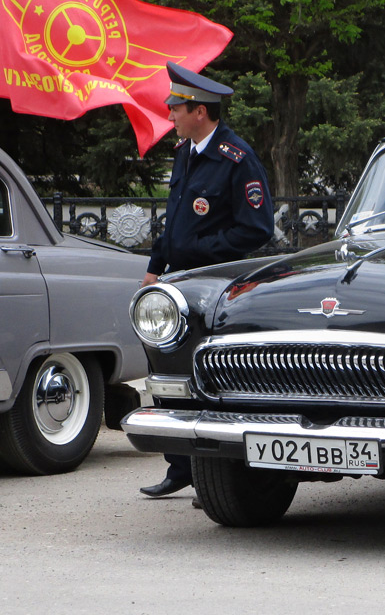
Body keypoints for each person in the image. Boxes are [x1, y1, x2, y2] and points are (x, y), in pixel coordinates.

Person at [140, 62, 276, 500]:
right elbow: (175, 218)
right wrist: (155, 266)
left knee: (210, 378)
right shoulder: (186, 152)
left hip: (215, 288)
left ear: (200, 111)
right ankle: (180, 466)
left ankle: (212, 473)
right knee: (171, 371)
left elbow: (256, 228)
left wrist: (201, 252)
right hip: (177, 284)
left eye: (176, 108)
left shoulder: (237, 157)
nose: (171, 115)